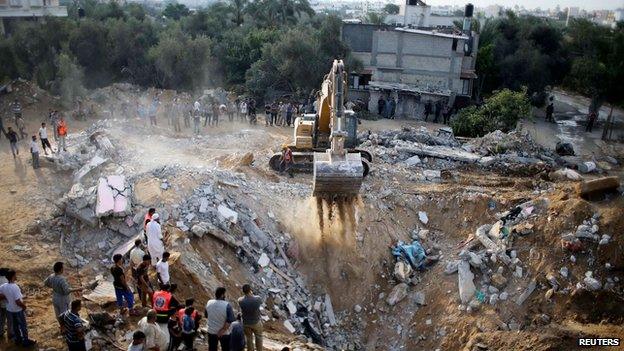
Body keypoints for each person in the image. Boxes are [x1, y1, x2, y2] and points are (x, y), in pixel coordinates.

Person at [0, 269, 36, 347]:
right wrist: (24, 306)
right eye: (15, 275)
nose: (16, 276)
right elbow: (18, 301)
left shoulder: (3, 286)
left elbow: (0, 296)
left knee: (15, 326)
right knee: (23, 325)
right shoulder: (15, 287)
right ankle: (26, 341)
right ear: (13, 276)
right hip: (17, 309)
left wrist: (8, 297)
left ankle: (18, 340)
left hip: (9, 309)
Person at [205, 287, 235, 351]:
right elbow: (230, 321)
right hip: (224, 333)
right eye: (224, 294)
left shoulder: (209, 302)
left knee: (212, 348)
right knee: (226, 348)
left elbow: (206, 315)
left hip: (211, 331)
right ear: (222, 295)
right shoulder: (227, 305)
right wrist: (222, 330)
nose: (225, 296)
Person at [238, 284, 263, 351]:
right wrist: (251, 294)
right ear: (250, 290)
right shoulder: (257, 299)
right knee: (259, 337)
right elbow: (260, 301)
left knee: (249, 338)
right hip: (256, 322)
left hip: (246, 323)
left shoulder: (240, 300)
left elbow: (243, 299)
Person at [0, 268, 14, 342]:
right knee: (10, 320)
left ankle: (1, 332)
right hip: (7, 304)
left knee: (1, 318)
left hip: (1, 304)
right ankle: (10, 334)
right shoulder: (6, 281)